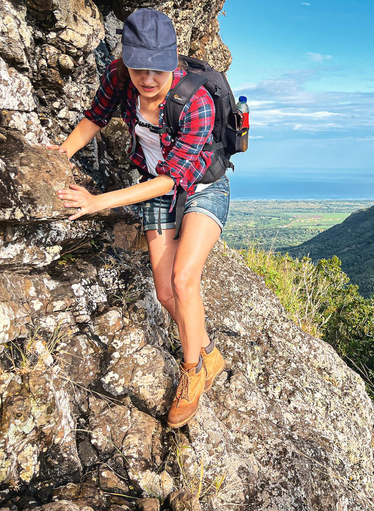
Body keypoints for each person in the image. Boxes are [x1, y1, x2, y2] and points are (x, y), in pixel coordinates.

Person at [47, 8, 228, 428]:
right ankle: (209, 354)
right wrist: (62, 153)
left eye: (158, 70)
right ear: (126, 60)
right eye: (138, 68)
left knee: (185, 280)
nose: (147, 79)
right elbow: (96, 116)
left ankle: (192, 373)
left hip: (200, 187)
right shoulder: (117, 76)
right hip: (152, 182)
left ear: (173, 61)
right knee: (166, 294)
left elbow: (171, 180)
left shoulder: (196, 102)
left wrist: (98, 201)